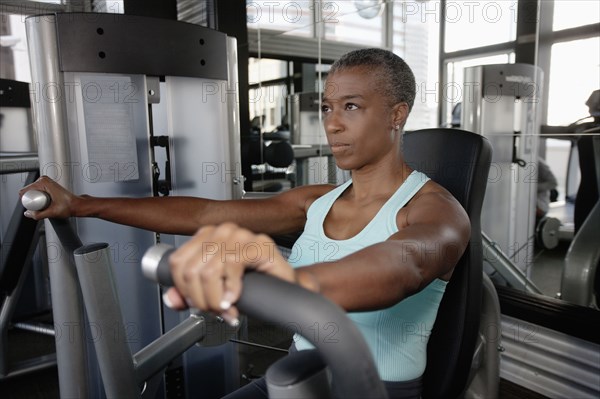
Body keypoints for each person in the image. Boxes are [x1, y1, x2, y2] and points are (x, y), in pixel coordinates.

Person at [20, 48, 470, 398]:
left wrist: (282, 278)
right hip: (300, 373)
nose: (332, 124)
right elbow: (204, 213)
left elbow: (403, 267)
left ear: (397, 114)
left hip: (373, 390)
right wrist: (80, 204)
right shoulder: (315, 200)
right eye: (329, 107)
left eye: (351, 106)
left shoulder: (435, 209)